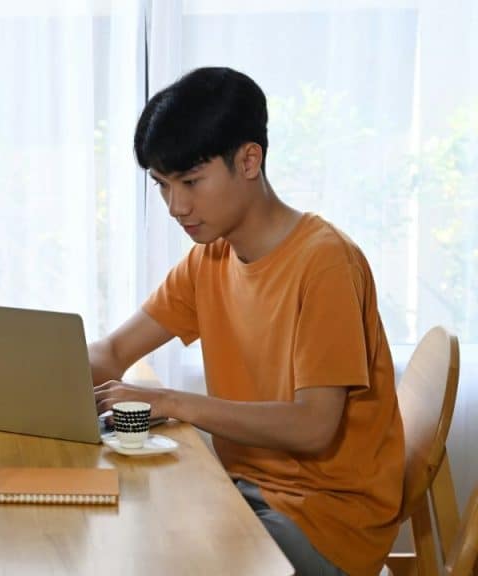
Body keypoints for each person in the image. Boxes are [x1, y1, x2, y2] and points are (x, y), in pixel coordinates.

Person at [89, 67, 404, 576]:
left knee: (144, 553)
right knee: (122, 528)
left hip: (327, 522)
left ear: (249, 160)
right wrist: (19, 380)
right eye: (162, 185)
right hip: (247, 493)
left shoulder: (324, 263)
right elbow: (112, 353)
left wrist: (170, 402)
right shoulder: (209, 259)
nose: (176, 206)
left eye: (190, 181)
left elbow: (314, 427)